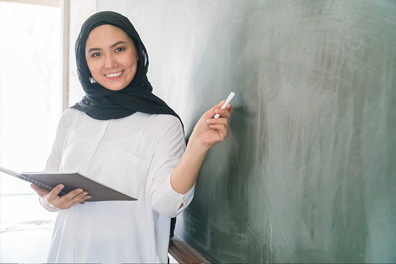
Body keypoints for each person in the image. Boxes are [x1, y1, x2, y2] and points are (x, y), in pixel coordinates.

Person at [31, 11, 232, 263]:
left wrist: (197, 147)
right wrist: (51, 202)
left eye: (119, 49)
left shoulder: (162, 122)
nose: (110, 63)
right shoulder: (71, 118)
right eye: (96, 54)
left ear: (136, 51)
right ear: (85, 64)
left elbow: (167, 205)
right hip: (64, 254)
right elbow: (47, 195)